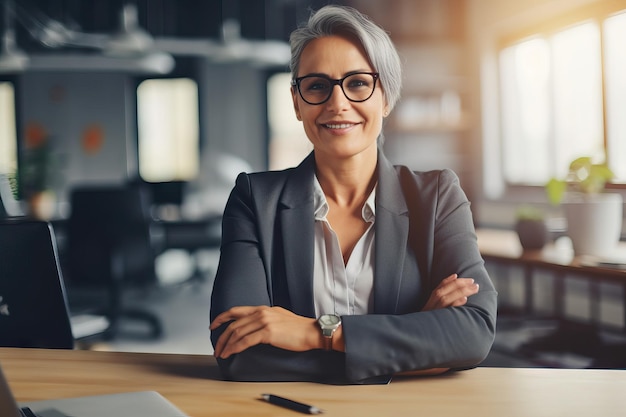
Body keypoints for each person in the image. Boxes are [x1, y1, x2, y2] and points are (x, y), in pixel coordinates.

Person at [209, 4, 497, 384]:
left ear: (387, 98)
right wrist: (415, 337)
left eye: (358, 82)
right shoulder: (253, 199)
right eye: (317, 86)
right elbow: (238, 352)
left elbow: (473, 332)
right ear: (297, 102)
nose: (337, 103)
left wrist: (317, 333)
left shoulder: (439, 195)